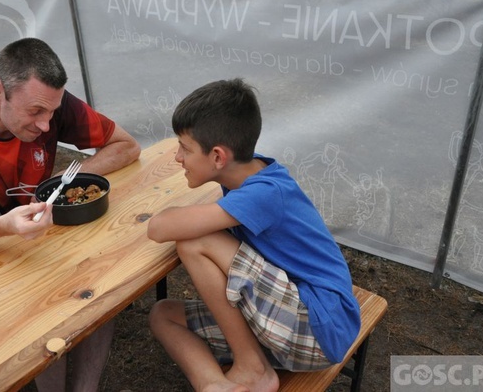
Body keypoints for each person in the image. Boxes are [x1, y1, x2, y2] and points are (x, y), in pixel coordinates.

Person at [0, 37, 141, 392]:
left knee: (101, 291)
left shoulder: (49, 102)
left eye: (52, 112)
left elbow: (127, 145)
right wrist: (3, 226)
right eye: (35, 113)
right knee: (40, 317)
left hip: (29, 241)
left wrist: (65, 182)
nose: (47, 125)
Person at [146, 78, 360, 392]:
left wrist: (174, 219)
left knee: (195, 240)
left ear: (218, 157)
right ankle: (215, 386)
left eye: (185, 148)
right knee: (163, 315)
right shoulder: (249, 174)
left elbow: (158, 228)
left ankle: (252, 368)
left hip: (319, 325)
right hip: (296, 323)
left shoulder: (264, 194)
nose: (178, 157)